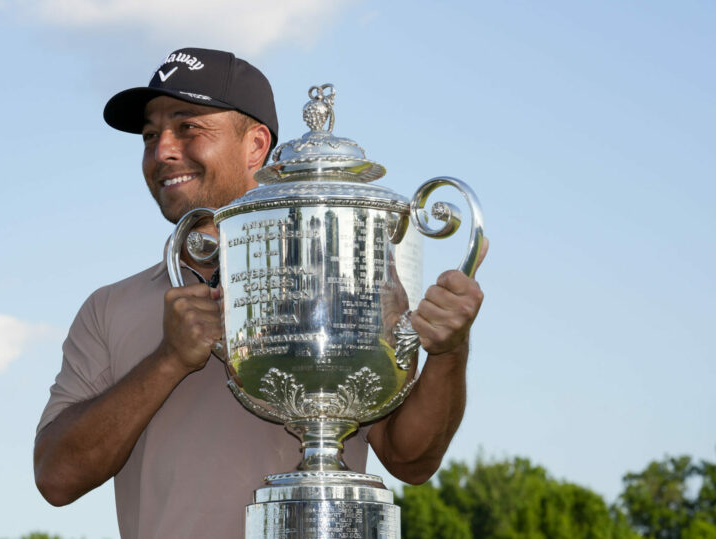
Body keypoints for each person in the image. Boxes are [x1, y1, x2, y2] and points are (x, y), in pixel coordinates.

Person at [33, 47, 487, 539]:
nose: (162, 150)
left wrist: (449, 352)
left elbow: (411, 460)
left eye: (188, 127)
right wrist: (168, 360)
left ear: (256, 145)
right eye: (150, 135)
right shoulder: (109, 308)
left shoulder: (348, 277)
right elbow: (56, 478)